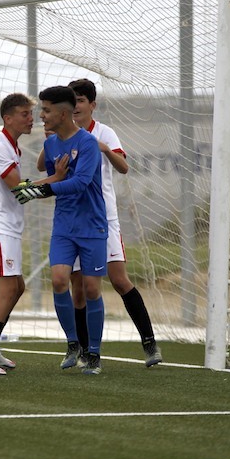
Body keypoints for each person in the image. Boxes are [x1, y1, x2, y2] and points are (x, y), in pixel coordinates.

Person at [40, 78, 162, 368]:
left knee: (118, 280)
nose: (78, 105)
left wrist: (104, 148)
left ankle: (149, 343)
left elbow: (123, 167)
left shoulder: (102, 133)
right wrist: (50, 137)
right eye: (74, 100)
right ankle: (83, 349)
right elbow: (42, 165)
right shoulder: (60, 132)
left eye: (82, 100)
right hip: (71, 219)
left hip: (102, 217)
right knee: (77, 287)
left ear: (92, 105)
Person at [13, 85, 108, 375]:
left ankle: (94, 353)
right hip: (64, 225)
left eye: (46, 110)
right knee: (58, 280)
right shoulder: (52, 144)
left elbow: (79, 183)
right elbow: (49, 170)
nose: (41, 115)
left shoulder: (89, 143)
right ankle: (73, 344)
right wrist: (39, 182)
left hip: (91, 225)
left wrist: (39, 191)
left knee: (91, 289)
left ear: (63, 113)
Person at [0, 93, 68, 376]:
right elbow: (22, 191)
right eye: (26, 114)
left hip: (8, 224)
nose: (32, 119)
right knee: (7, 289)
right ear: (8, 118)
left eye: (32, 113)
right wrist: (56, 179)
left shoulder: (12, 147)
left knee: (18, 287)